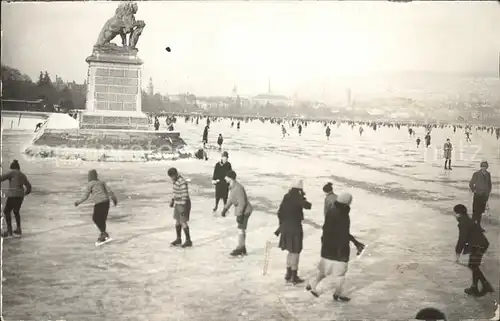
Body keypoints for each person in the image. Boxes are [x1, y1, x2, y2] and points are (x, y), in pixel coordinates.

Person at [306, 192, 365, 302]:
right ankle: (338, 293)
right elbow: (343, 233)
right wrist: (355, 242)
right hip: (339, 250)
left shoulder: (332, 211)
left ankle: (313, 285)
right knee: (340, 274)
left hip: (328, 247)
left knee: (324, 270)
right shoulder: (342, 214)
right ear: (347, 203)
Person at [275, 180, 312, 284]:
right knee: (296, 251)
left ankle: (288, 273)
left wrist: (281, 225)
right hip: (295, 228)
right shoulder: (297, 197)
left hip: (285, 227)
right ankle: (294, 276)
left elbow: (279, 213)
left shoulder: (286, 196)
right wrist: (302, 198)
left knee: (290, 251)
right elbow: (308, 206)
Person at [454, 204, 494, 297]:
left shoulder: (463, 223)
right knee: (473, 265)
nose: (455, 215)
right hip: (479, 244)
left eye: (455, 213)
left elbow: (462, 239)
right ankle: (475, 287)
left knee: (473, 265)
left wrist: (457, 253)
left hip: (478, 245)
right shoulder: (466, 220)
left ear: (459, 214)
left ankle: (485, 285)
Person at [75, 169, 117, 244]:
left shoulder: (90, 184)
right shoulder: (101, 182)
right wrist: (114, 199)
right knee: (102, 219)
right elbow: (110, 191)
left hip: (99, 203)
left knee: (95, 218)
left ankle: (104, 234)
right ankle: (103, 235)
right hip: (106, 202)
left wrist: (78, 202)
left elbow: (85, 196)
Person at [221, 170, 253, 256]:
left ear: (230, 178)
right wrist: (225, 209)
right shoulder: (232, 186)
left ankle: (240, 248)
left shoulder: (238, 188)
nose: (224, 178)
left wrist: (240, 214)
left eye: (226, 177)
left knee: (241, 229)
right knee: (241, 228)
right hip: (242, 210)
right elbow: (231, 199)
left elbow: (242, 202)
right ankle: (242, 248)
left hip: (245, 211)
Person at [1, 160, 32, 238]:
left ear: (13, 167)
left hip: (13, 195)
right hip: (20, 196)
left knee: (6, 211)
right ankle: (18, 229)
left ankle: (9, 231)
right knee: (16, 211)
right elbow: (29, 187)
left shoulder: (12, 172)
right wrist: (25, 193)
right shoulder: (22, 174)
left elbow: (1, 178)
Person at [168, 168, 192, 248]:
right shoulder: (175, 181)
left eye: (172, 176)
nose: (171, 178)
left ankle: (188, 241)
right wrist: (172, 200)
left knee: (183, 222)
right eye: (170, 177)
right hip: (178, 203)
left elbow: (184, 195)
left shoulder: (182, 182)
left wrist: (183, 208)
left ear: (176, 174)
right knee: (177, 221)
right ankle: (178, 239)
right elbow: (175, 192)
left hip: (183, 203)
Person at [468, 161, 492, 232]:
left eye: (485, 166)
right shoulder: (476, 174)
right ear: (481, 167)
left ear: (487, 167)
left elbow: (489, 184)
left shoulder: (488, 174)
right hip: (477, 195)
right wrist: (474, 190)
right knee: (475, 211)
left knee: (481, 212)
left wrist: (488, 192)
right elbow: (471, 183)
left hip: (484, 196)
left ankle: (478, 226)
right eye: (482, 166)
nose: (484, 168)